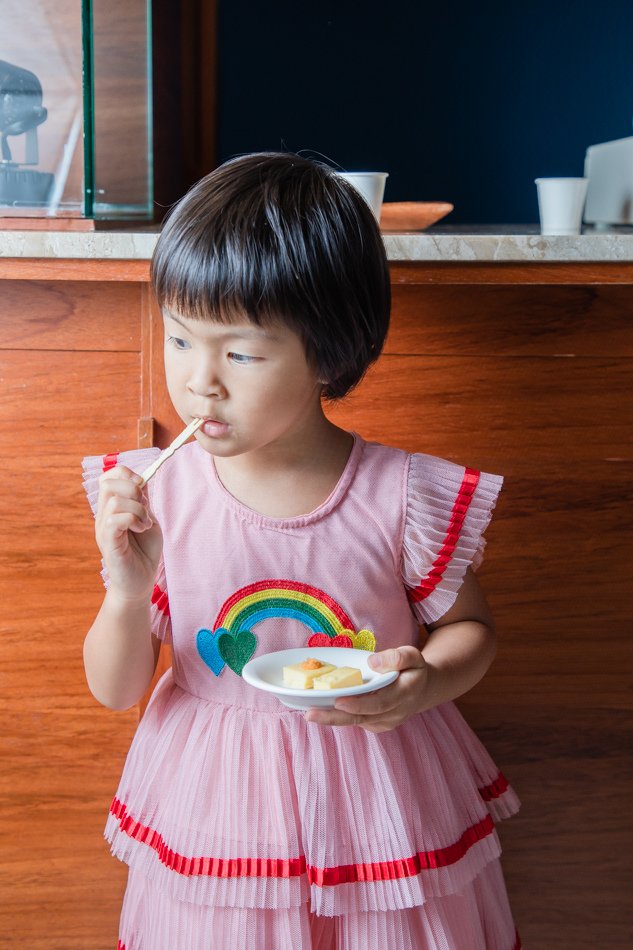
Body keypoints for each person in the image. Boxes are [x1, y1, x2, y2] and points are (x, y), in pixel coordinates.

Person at [82, 152, 521, 950]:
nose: (199, 383)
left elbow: (472, 634)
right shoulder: (155, 495)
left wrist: (425, 683)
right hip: (215, 809)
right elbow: (115, 691)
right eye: (179, 340)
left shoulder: (401, 494)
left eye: (240, 354)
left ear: (328, 351)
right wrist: (124, 590)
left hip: (379, 798)